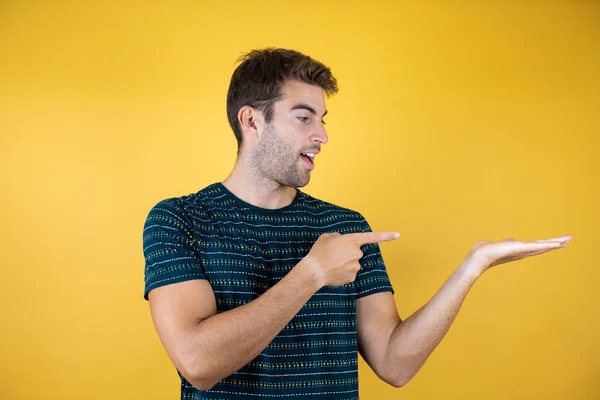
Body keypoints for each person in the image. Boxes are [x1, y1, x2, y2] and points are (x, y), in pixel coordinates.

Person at [142, 48, 571, 399]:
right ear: (252, 120)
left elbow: (394, 363)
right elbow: (197, 364)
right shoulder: (179, 218)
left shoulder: (344, 225)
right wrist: (312, 273)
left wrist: (471, 268)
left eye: (323, 120)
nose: (322, 135)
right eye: (304, 116)